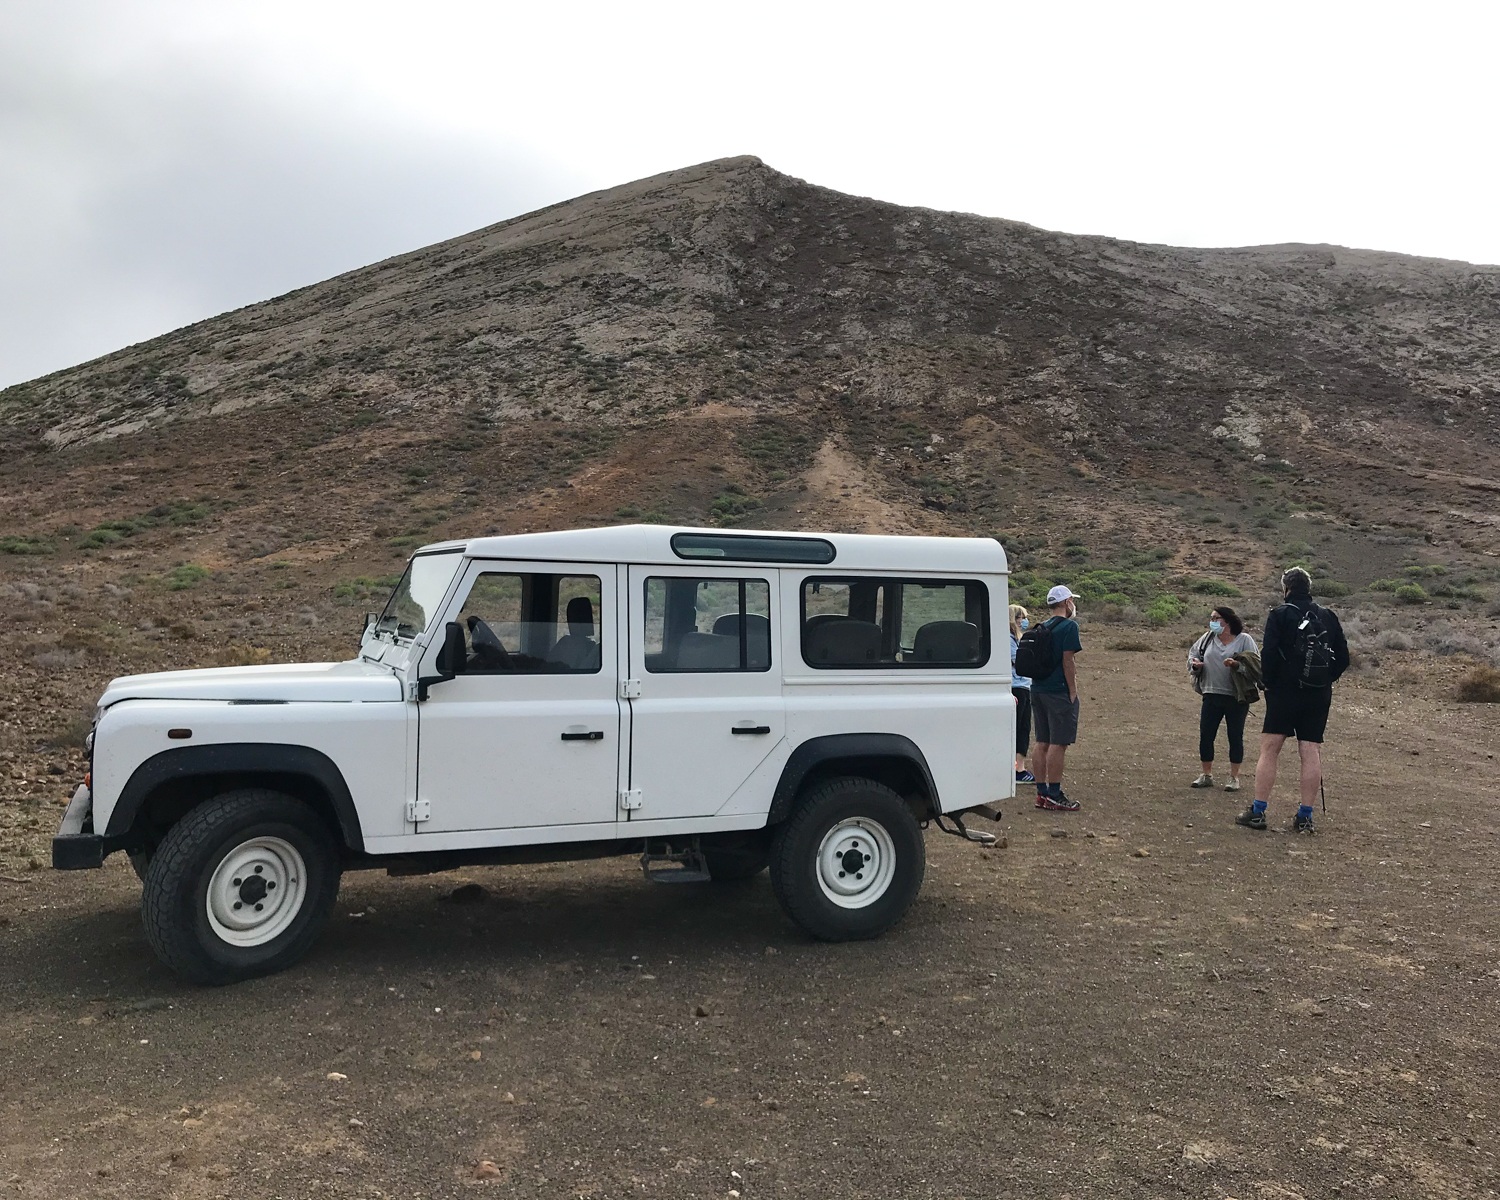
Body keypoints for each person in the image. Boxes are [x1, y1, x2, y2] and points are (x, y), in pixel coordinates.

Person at [1236, 567, 1350, 834]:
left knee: (1270, 749)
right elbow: (1343, 658)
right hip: (1318, 694)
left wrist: (1270, 684)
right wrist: (1325, 681)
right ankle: (1305, 816)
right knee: (1310, 751)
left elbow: (1270, 654)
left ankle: (1258, 811)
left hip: (1284, 693)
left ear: (1285, 588)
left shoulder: (1280, 614)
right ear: (1308, 587)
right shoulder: (1328, 616)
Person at [1186, 605, 1258, 791]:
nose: (1212, 621)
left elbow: (1256, 667)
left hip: (1236, 697)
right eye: (1211, 618)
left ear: (1228, 620)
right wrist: (1195, 665)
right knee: (1206, 735)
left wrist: (1236, 665)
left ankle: (1234, 778)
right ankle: (1206, 774)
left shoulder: (1244, 640)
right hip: (1211, 694)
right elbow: (1193, 655)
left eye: (1216, 618)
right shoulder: (1207, 638)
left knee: (1235, 736)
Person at [1030, 585, 1083, 812]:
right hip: (1058, 691)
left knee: (1042, 741)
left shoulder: (1042, 626)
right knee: (1058, 742)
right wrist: (1072, 690)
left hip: (1038, 689)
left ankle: (1042, 793)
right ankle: (1054, 793)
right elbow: (1068, 661)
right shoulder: (1069, 627)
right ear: (1067, 601)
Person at [1008, 605, 1034, 783]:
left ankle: (1019, 767)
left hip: (1024, 686)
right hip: (1017, 686)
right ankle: (1015, 769)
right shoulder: (1009, 640)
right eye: (1021, 617)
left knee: (1023, 728)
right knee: (1017, 728)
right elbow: (1016, 661)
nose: (1024, 621)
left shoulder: (1017, 639)